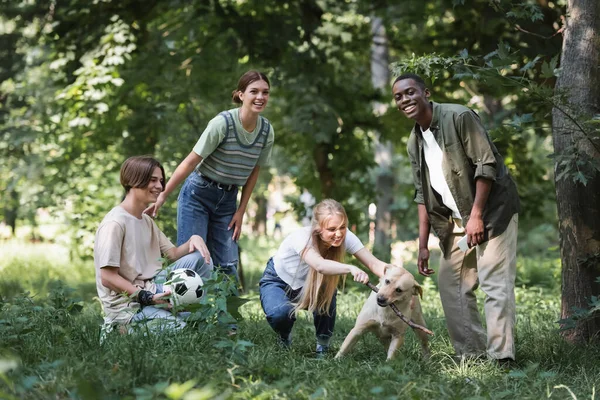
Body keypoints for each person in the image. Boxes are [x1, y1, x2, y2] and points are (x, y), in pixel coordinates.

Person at [392, 73, 520, 365]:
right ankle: (470, 355)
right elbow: (422, 194)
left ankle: (502, 358)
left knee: (494, 282)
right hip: (457, 220)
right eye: (398, 96)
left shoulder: (458, 117)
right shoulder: (415, 141)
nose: (405, 99)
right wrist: (422, 245)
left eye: (410, 92)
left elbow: (486, 165)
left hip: (493, 212)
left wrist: (476, 216)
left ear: (426, 92)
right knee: (450, 282)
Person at [144, 70, 274, 280]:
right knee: (193, 260)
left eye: (265, 92)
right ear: (241, 94)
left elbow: (254, 171)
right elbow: (190, 162)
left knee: (228, 265)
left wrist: (241, 211)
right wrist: (163, 195)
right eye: (254, 91)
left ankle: (225, 313)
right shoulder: (222, 123)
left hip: (228, 200)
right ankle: (182, 311)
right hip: (198, 193)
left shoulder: (266, 132)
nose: (260, 97)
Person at [94, 156, 213, 336]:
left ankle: (190, 311)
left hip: (152, 287)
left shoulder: (146, 220)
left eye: (161, 181)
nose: (160, 186)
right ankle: (120, 328)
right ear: (133, 180)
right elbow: (108, 277)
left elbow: (172, 254)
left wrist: (193, 240)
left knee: (200, 259)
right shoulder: (115, 223)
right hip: (128, 306)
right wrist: (147, 298)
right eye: (153, 180)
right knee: (182, 332)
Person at [259, 199, 388, 357]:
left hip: (312, 283)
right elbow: (319, 265)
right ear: (318, 228)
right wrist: (350, 268)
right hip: (279, 280)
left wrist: (398, 279)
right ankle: (284, 336)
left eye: (342, 227)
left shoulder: (345, 237)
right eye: (332, 229)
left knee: (327, 288)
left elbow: (374, 264)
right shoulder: (301, 237)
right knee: (279, 315)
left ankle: (323, 346)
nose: (339, 233)